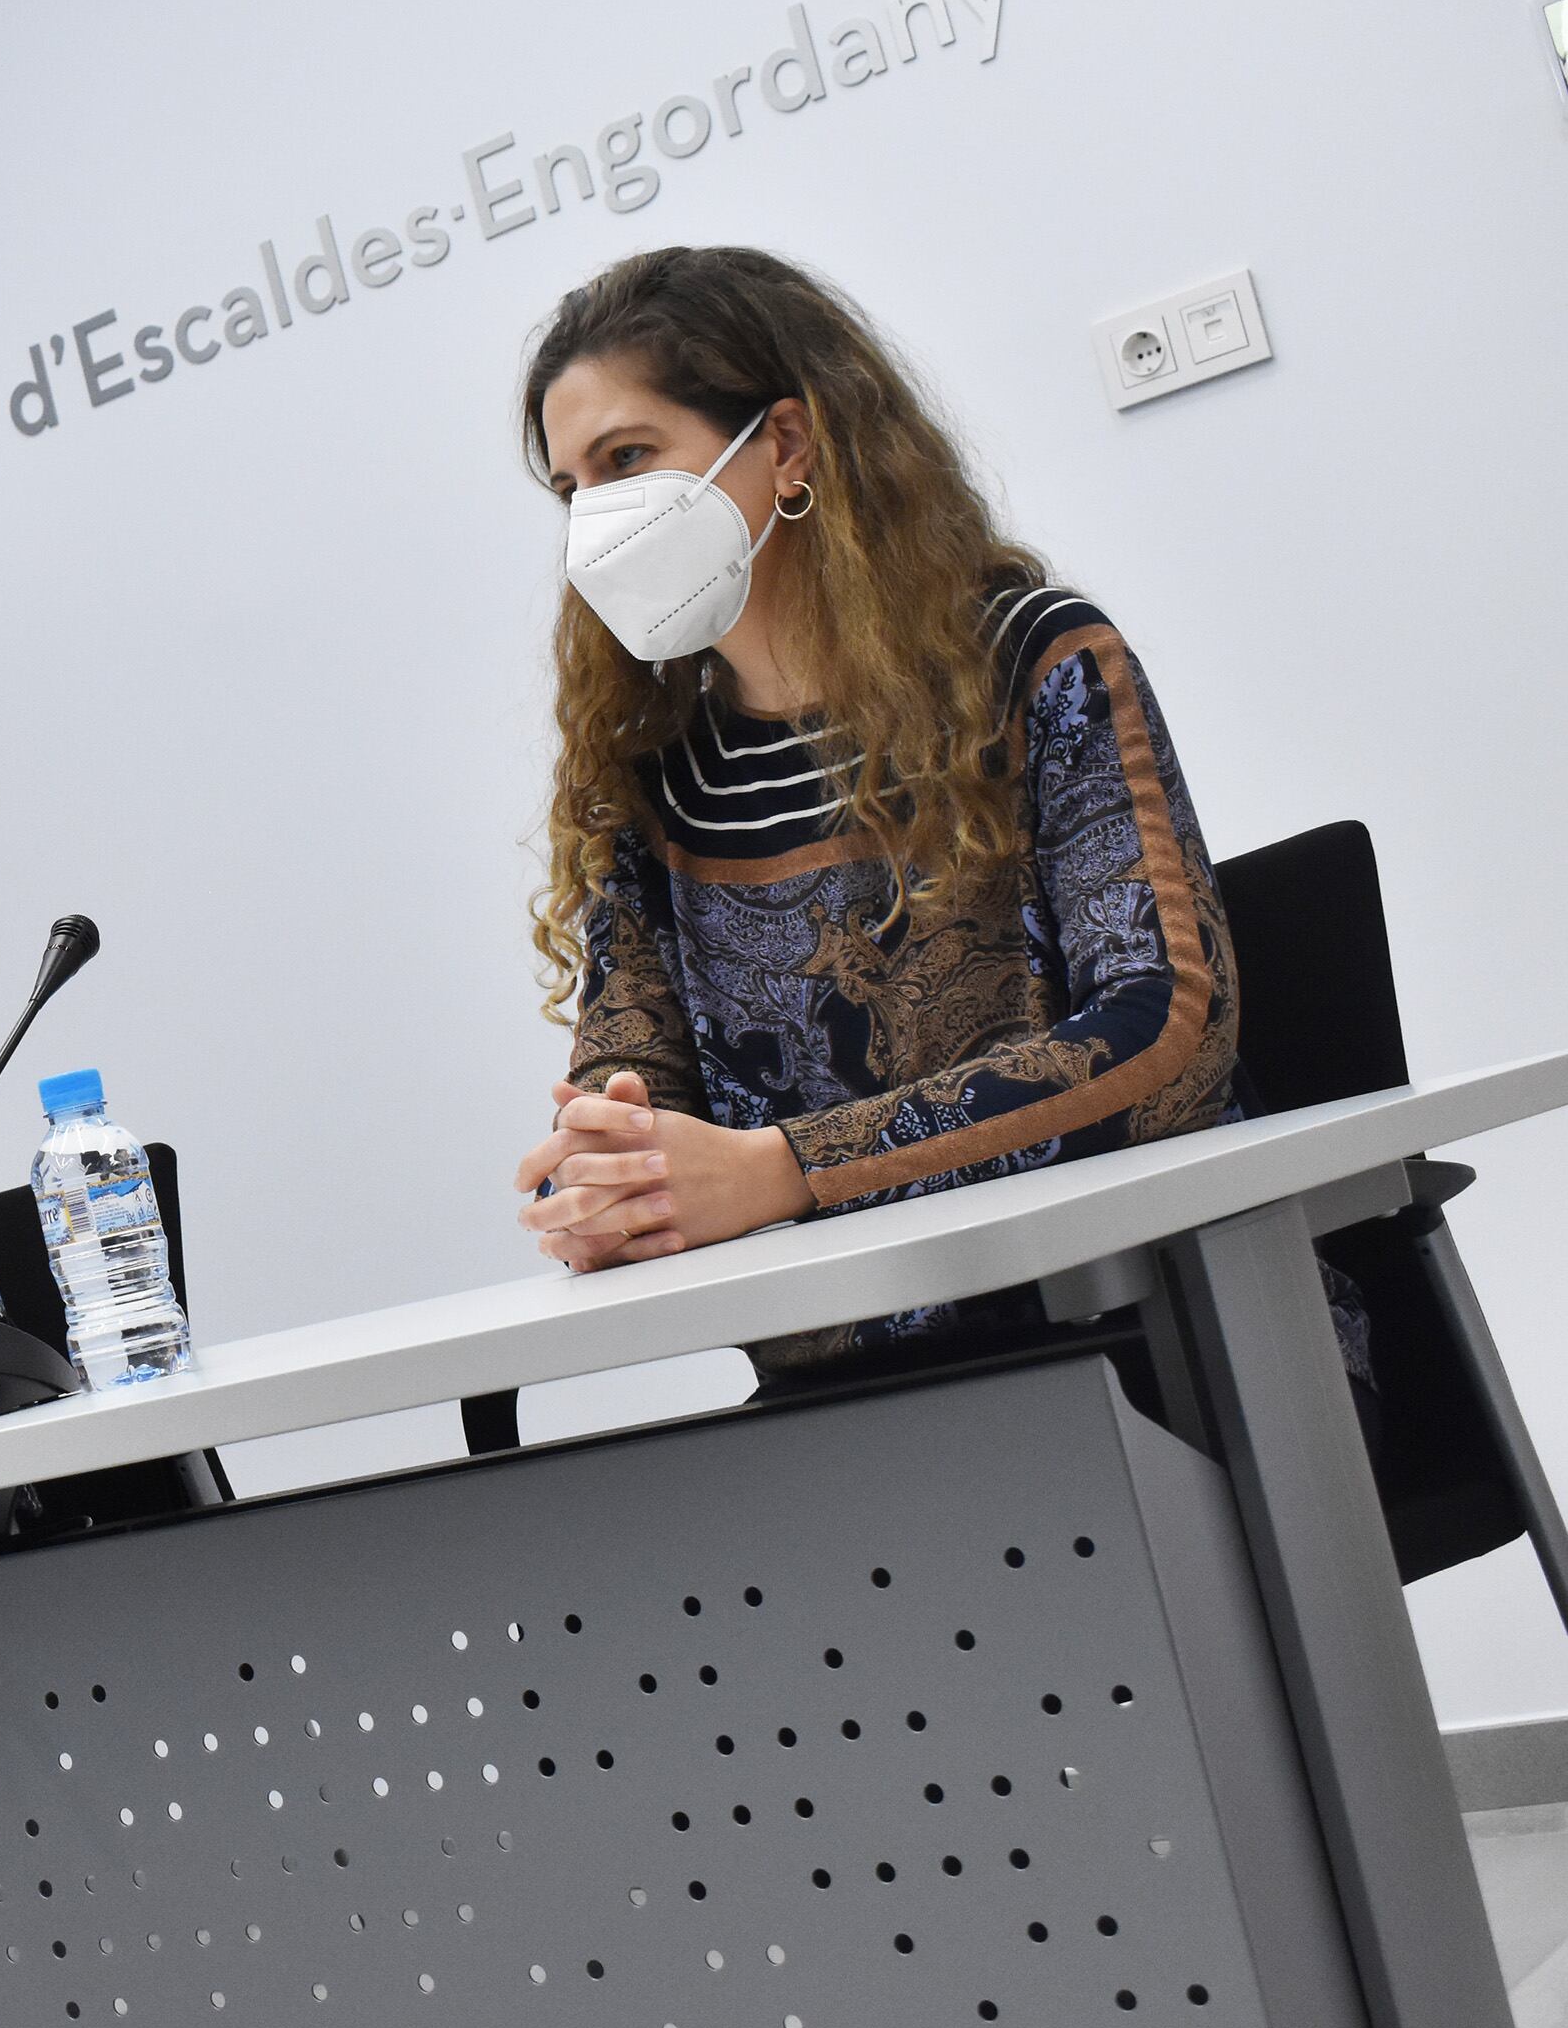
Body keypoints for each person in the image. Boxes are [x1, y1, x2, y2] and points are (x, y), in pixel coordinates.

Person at [505, 245, 1365, 1394]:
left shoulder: (1035, 660)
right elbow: (631, 1087)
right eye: (572, 491)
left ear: (789, 447)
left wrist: (788, 1170)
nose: (598, 522)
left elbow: (1166, 1037)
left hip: (1156, 1336)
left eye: (628, 459)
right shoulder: (652, 785)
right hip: (859, 1397)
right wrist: (611, 1180)